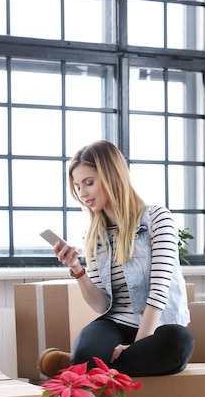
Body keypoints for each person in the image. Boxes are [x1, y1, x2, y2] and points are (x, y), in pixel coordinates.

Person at [38, 140, 194, 378]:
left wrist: (136, 346)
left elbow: (159, 291)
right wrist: (76, 269)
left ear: (112, 176)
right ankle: (83, 364)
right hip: (115, 323)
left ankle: (78, 366)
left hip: (159, 326)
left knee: (179, 343)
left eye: (89, 183)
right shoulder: (93, 236)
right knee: (89, 343)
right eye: (78, 187)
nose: (83, 194)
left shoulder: (157, 218)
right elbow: (101, 305)